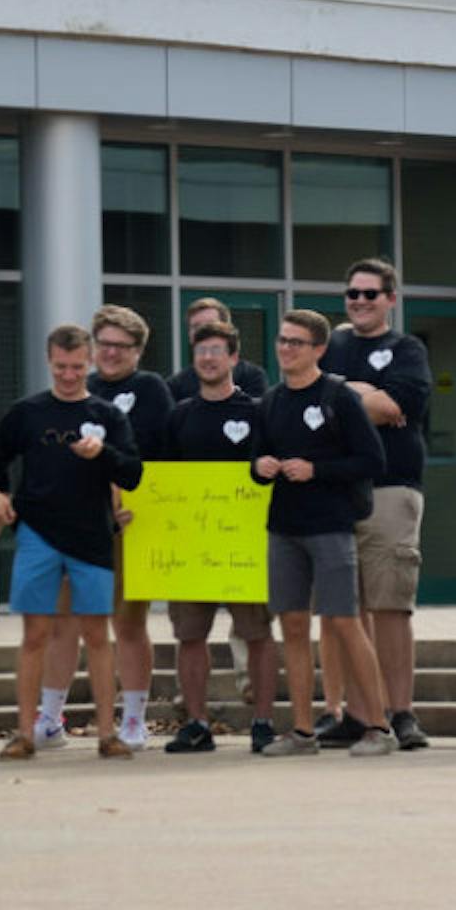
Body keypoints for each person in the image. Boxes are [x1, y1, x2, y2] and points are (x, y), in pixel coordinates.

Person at [0, 324, 143, 761]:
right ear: (48, 361)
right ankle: (25, 732)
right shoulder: (27, 412)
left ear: (90, 361)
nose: (70, 375)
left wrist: (103, 455)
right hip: (37, 533)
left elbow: (132, 472)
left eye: (77, 367)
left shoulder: (109, 415)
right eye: (61, 367)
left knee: (97, 633)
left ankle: (108, 733)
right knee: (35, 633)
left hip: (92, 536)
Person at [251, 309, 396, 757]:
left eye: (297, 342)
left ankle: (378, 726)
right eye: (282, 340)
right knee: (291, 624)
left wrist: (316, 470)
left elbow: (373, 461)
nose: (286, 349)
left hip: (331, 525)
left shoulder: (339, 396)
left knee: (344, 621)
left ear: (318, 349)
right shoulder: (271, 401)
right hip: (284, 528)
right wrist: (261, 467)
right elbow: (257, 462)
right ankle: (302, 731)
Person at [318, 259, 433, 750]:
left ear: (390, 298)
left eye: (370, 293)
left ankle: (401, 713)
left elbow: (393, 408)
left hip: (390, 489)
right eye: (353, 293)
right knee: (344, 609)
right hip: (335, 493)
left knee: (390, 606)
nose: (360, 301)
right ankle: (361, 715)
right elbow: (311, 403)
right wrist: (362, 393)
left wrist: (342, 390)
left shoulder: (406, 349)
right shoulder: (332, 343)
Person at [162, 319, 280, 754]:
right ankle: (196, 723)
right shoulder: (179, 416)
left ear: (234, 358)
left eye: (217, 350)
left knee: (258, 633)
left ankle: (263, 723)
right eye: (201, 351)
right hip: (192, 545)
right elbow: (163, 480)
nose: (208, 359)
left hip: (245, 545)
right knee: (190, 636)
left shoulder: (259, 411)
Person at [76, 303, 174, 752]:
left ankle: (134, 717)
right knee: (79, 623)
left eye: (121, 346)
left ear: (138, 351)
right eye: (104, 344)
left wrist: (127, 498)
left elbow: (158, 456)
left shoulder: (151, 389)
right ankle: (54, 716)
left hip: (136, 521)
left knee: (129, 621)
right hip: (85, 523)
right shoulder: (80, 387)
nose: (110, 353)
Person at [168, 297, 268, 401]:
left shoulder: (251, 377)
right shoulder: (176, 386)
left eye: (210, 324)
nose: (204, 331)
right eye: (196, 326)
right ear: (189, 335)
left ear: (227, 329)